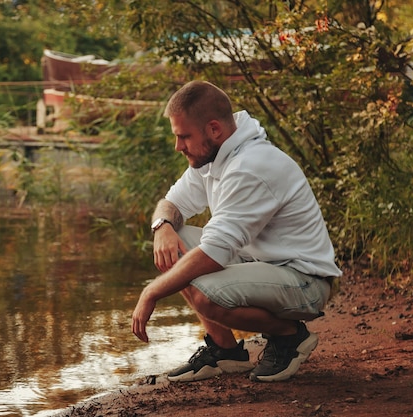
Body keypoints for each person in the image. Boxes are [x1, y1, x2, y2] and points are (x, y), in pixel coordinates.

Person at [131, 80, 342, 382]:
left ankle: (289, 336)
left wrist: (152, 291)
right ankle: (225, 352)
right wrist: (162, 225)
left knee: (206, 293)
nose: (178, 146)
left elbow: (213, 255)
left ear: (214, 129)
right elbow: (171, 203)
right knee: (176, 249)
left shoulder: (249, 167)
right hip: (263, 267)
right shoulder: (214, 156)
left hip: (304, 281)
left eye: (183, 137)